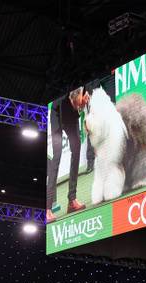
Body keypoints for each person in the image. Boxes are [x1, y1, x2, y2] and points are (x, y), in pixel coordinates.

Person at [45, 89, 87, 221]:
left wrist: (83, 107)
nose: (79, 106)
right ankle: (47, 210)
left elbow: (80, 108)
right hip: (58, 115)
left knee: (77, 148)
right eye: (77, 104)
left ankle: (72, 201)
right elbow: (65, 119)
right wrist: (77, 107)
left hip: (71, 115)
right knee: (57, 157)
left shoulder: (83, 92)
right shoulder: (64, 102)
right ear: (71, 99)